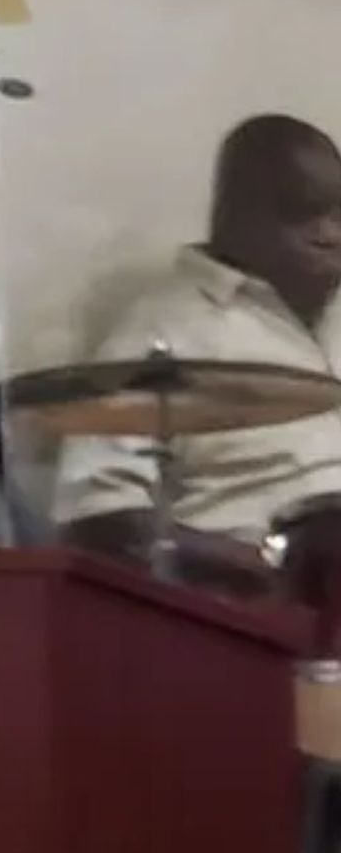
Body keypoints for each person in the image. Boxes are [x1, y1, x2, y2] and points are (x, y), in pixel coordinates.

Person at [57, 113, 341, 589]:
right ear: (235, 212)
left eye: (339, 213)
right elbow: (101, 522)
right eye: (301, 213)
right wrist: (249, 567)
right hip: (254, 610)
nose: (330, 235)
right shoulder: (162, 330)